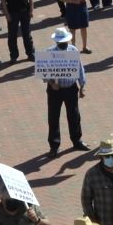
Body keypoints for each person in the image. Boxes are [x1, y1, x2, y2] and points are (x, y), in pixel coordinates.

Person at [44, 26, 87, 156]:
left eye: (65, 42)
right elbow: (44, 72)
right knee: (53, 117)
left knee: (74, 115)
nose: (63, 44)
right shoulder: (49, 52)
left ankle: (77, 140)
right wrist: (51, 83)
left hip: (71, 88)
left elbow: (80, 69)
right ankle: (54, 146)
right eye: (61, 43)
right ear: (57, 42)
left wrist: (82, 86)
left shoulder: (73, 50)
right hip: (55, 91)